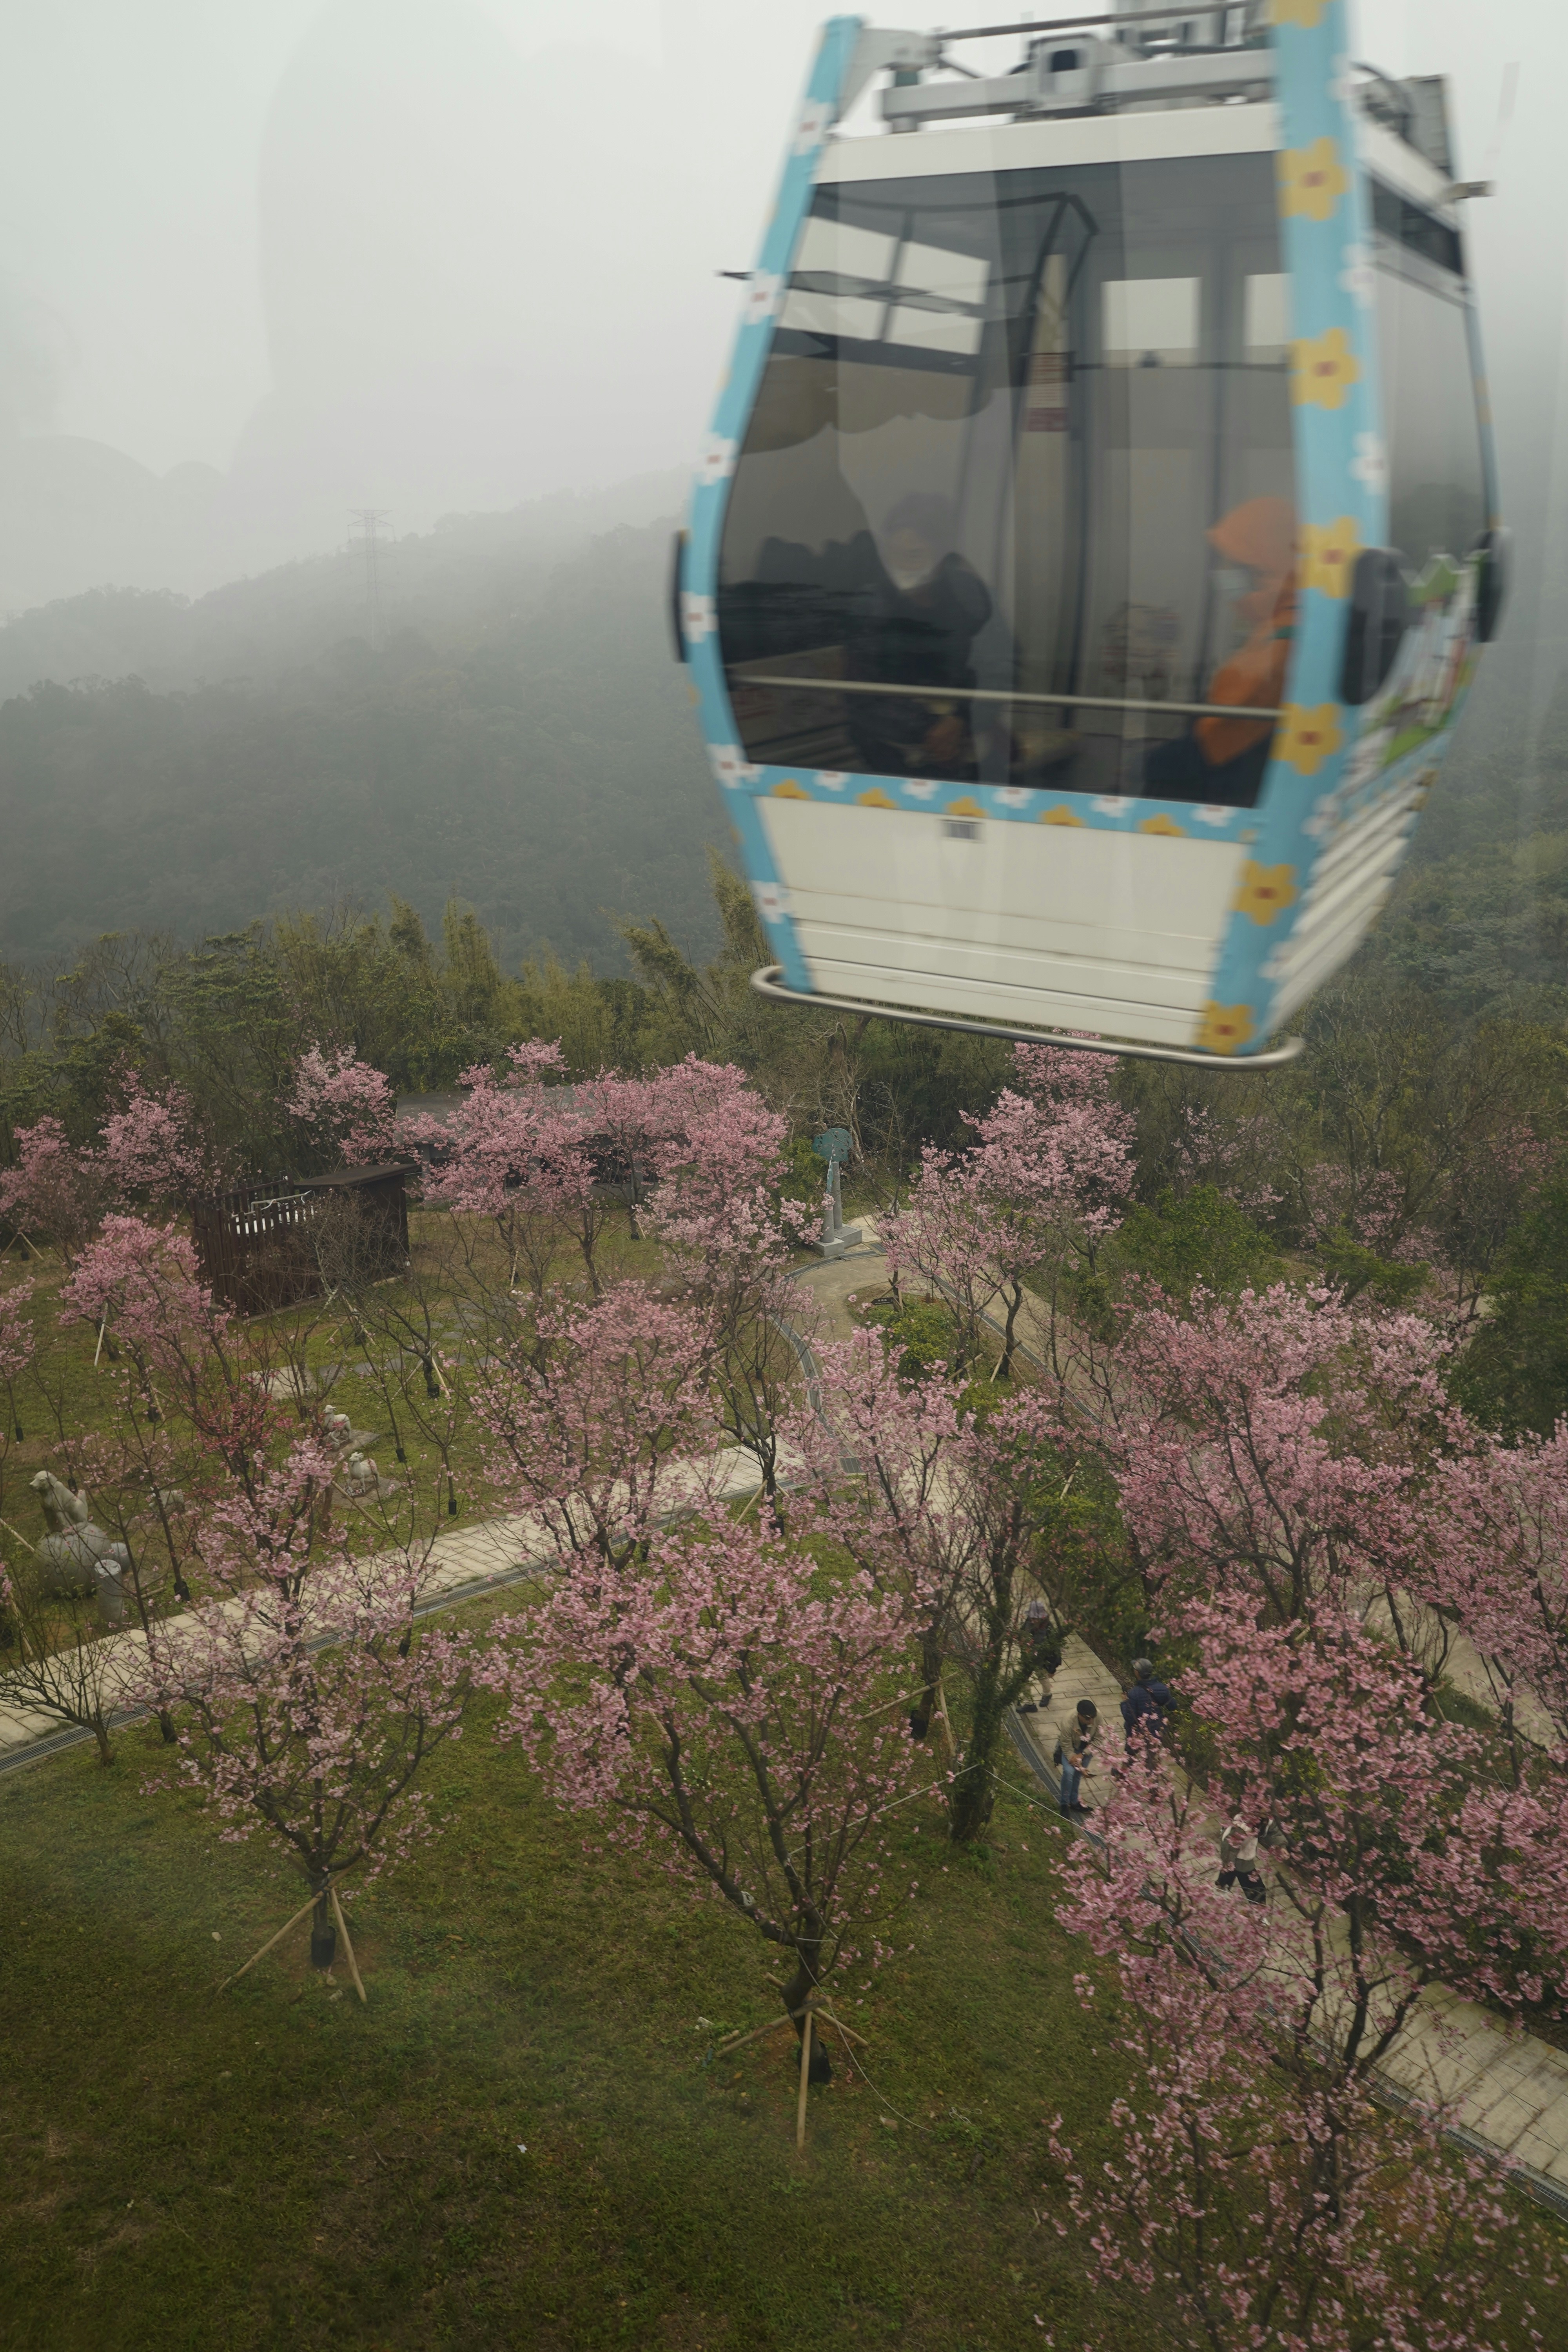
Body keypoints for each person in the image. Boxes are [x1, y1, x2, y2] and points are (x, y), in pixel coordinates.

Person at [1144, 495, 1296, 805]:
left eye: (1234, 563)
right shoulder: (1280, 621)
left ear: (1265, 564)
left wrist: (1149, 766)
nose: (1223, 574)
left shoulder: (1287, 633)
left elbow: (1222, 738)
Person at [1056, 1699, 1098, 1817]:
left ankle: (1074, 1801)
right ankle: (1064, 1803)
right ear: (1079, 1715)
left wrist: (1083, 1754)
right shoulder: (1068, 1722)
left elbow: (1099, 1739)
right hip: (1070, 1749)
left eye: (1093, 1718)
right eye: (1088, 1719)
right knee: (1069, 1773)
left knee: (1078, 1775)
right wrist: (1074, 1758)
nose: (1091, 1721)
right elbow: (1065, 1744)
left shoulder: (1097, 1717)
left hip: (1086, 1750)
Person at [1120, 1657, 1176, 1743]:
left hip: (1139, 1735)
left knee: (1132, 1755)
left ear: (1137, 1673)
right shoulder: (1162, 1688)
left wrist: (1125, 1703)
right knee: (1152, 1754)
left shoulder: (1134, 1694)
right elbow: (1172, 1707)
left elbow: (1131, 1719)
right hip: (1157, 1731)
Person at [1217, 1812, 1267, 1905]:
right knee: (1255, 1887)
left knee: (1227, 1877)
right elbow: (1229, 1846)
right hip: (1240, 1859)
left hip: (1240, 1858)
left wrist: (1282, 1846)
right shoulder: (1242, 1827)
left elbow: (1275, 1831)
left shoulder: (1262, 1819)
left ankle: (1221, 1889)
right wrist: (1227, 1862)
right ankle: (1259, 1909)